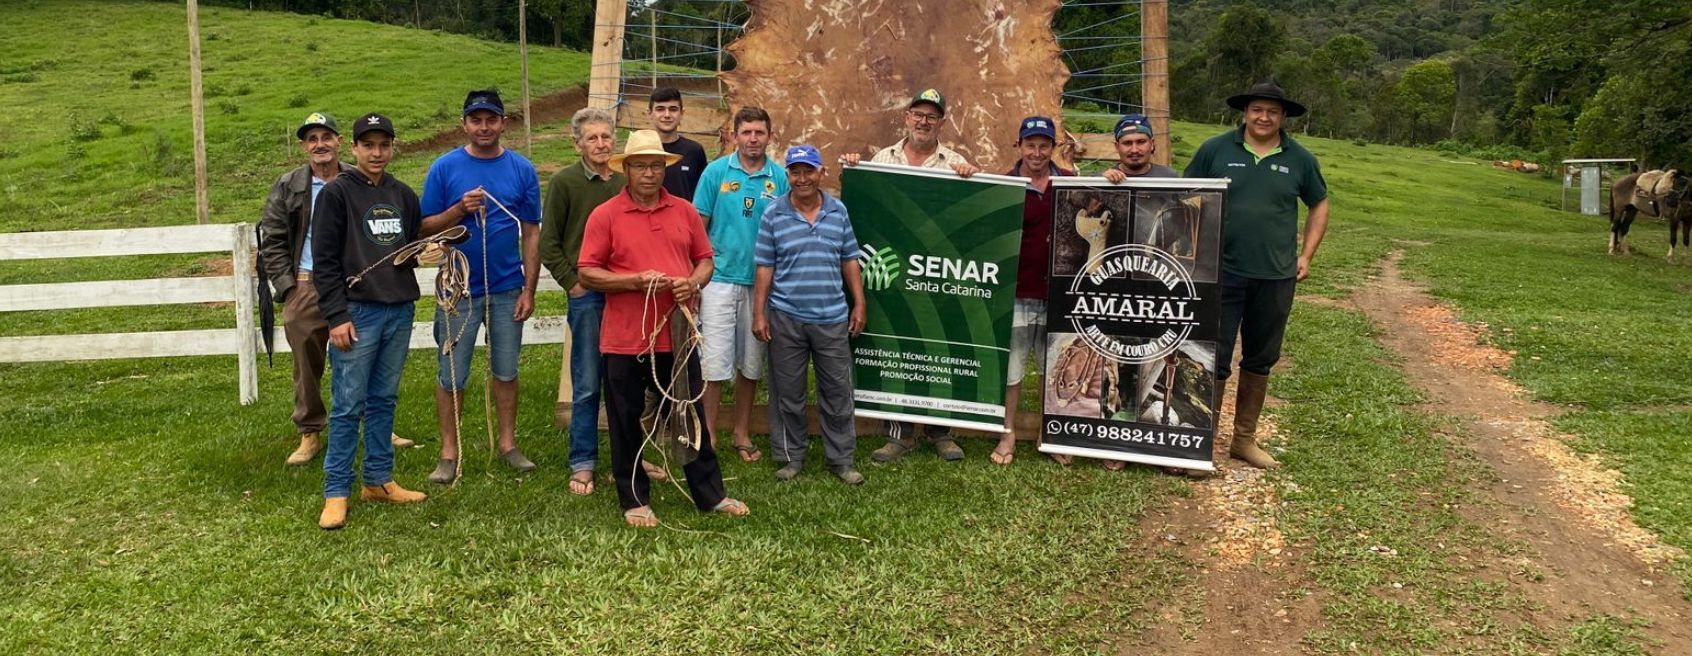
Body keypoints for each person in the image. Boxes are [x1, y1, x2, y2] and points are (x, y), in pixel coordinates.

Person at [577, 130, 750, 527]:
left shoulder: (685, 212)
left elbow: (706, 260)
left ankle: (710, 494)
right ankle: (634, 498)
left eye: (656, 166)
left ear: (664, 169)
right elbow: (587, 272)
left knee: (688, 414)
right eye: (641, 166)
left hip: (677, 332)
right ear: (627, 171)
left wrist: (693, 281)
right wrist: (635, 281)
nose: (650, 174)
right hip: (624, 336)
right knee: (625, 417)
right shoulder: (606, 215)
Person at [1183, 78, 1330, 471]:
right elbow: (1184, 195)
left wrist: (1307, 255)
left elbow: (1319, 204)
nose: (1264, 117)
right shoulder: (1215, 150)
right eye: (1257, 110)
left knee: (1260, 358)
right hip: (1220, 272)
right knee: (1212, 355)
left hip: (1276, 275)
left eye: (1272, 111)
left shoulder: (1299, 159)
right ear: (1245, 112)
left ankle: (1243, 439)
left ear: (1283, 118)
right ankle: (1202, 438)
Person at [259, 112, 413, 467]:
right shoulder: (289, 185)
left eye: (325, 137)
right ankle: (310, 430)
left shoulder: (359, 179)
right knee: (306, 361)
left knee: (366, 355)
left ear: (340, 142)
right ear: (303, 146)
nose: (319, 145)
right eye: (311, 139)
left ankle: (375, 424)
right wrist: (288, 287)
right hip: (308, 283)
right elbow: (273, 239)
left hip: (357, 285)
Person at [843, 88, 981, 463]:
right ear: (906, 117)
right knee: (896, 344)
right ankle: (898, 433)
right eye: (917, 114)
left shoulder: (955, 162)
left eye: (931, 116)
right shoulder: (881, 158)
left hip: (936, 272)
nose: (923, 121)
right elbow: (868, 207)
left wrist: (971, 179)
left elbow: (969, 217)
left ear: (941, 122)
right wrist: (857, 171)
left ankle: (942, 431)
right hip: (893, 271)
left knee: (940, 343)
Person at [417, 90, 544, 484]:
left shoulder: (522, 170)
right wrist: (458, 210)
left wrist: (529, 289)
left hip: (507, 288)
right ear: (465, 124)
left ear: (504, 123)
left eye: (492, 119)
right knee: (452, 372)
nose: (484, 127)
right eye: (476, 120)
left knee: (506, 369)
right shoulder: (444, 168)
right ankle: (449, 451)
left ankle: (507, 444)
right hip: (459, 290)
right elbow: (423, 226)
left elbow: (531, 232)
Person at [309, 113, 428, 530]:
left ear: (393, 147)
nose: (377, 153)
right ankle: (335, 490)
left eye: (384, 145)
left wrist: (431, 252)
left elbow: (408, 247)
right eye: (368, 145)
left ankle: (378, 479)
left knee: (383, 399)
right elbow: (323, 261)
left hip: (398, 306)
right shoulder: (337, 194)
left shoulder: (403, 195)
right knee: (347, 404)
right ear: (354, 148)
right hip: (357, 312)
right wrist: (336, 315)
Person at [751, 145, 867, 485]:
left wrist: (858, 303)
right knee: (788, 391)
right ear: (787, 175)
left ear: (821, 173)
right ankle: (790, 456)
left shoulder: (838, 211)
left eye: (808, 171)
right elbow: (764, 266)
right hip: (786, 315)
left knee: (837, 391)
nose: (802, 178)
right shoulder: (773, 213)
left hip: (831, 315)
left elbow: (850, 259)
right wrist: (760, 313)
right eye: (795, 172)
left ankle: (841, 459)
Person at [690, 107, 789, 463]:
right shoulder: (716, 172)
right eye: (746, 132)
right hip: (718, 280)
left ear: (769, 136)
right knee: (713, 363)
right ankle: (709, 435)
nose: (752, 139)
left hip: (761, 284)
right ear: (734, 135)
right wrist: (697, 276)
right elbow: (696, 226)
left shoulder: (779, 178)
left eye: (759, 133)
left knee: (750, 364)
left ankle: (742, 432)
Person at [989, 117, 1087, 468]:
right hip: (1015, 291)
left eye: (1044, 145)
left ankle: (1053, 431)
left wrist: (1111, 180)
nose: (1037, 152)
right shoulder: (1002, 184)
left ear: (1052, 148)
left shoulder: (1074, 184)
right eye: (1030, 144)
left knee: (1054, 369)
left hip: (1058, 294)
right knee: (1012, 369)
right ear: (1019, 147)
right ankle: (1007, 432)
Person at [538, 107, 624, 496]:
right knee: (588, 382)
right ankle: (583, 461)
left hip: (625, 295)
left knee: (626, 382)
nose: (601, 144)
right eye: (593, 138)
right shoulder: (565, 182)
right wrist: (571, 283)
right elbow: (549, 242)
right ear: (577, 143)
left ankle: (632, 457)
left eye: (606, 136)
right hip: (587, 296)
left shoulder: (626, 181)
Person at [649, 86, 709, 199]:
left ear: (682, 113)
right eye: (660, 109)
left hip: (683, 216)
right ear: (650, 113)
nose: (667, 115)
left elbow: (702, 194)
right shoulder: (641, 150)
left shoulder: (694, 151)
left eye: (673, 109)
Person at [1101, 113, 1178, 181]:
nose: (1134, 150)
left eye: (1141, 142)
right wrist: (1102, 183)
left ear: (1151, 144)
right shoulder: (1102, 180)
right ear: (1117, 147)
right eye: (1127, 143)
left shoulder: (1169, 178)